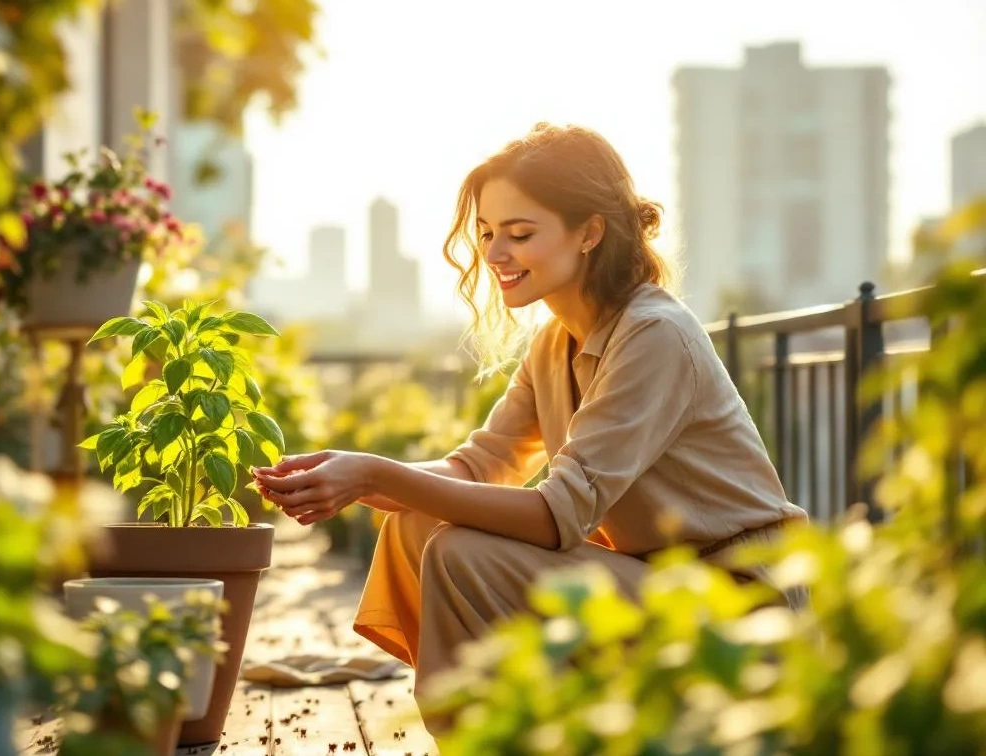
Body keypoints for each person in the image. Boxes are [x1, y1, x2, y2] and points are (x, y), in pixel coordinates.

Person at [250, 122, 808, 732]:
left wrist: (376, 471)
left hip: (736, 609)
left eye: (520, 234)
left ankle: (495, 736)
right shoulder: (554, 343)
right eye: (487, 233)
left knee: (462, 553)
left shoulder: (654, 335)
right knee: (415, 527)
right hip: (654, 585)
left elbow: (555, 515)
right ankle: (498, 730)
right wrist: (350, 476)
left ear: (589, 232)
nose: (493, 255)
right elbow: (477, 466)